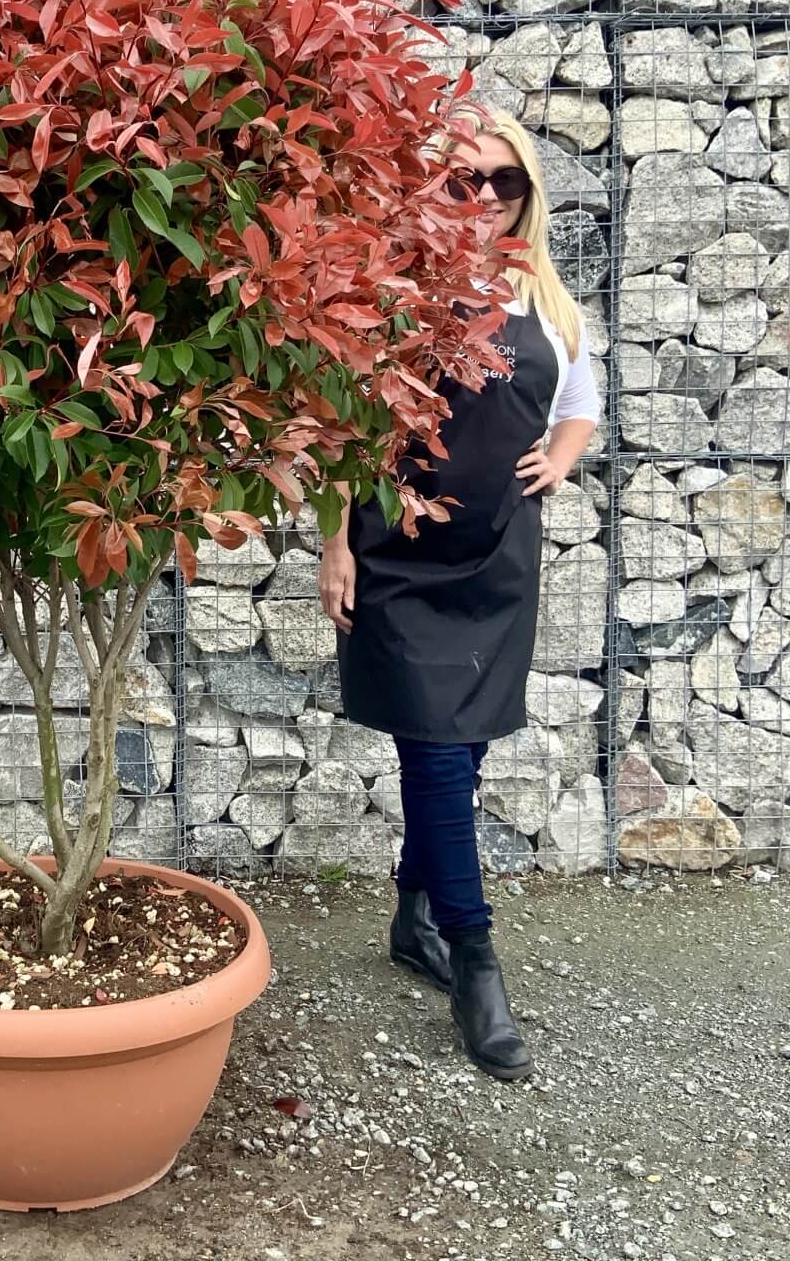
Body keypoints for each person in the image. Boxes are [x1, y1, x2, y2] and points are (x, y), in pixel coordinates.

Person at [320, 108, 600, 1082]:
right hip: (396, 563)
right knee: (439, 761)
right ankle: (474, 956)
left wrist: (558, 463)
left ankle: (409, 917)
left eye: (502, 183)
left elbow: (579, 407)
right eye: (459, 182)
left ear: (528, 196)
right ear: (428, 194)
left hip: (497, 565)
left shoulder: (551, 305)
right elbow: (342, 428)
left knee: (460, 755)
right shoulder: (394, 293)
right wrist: (333, 546)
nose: (482, 200)